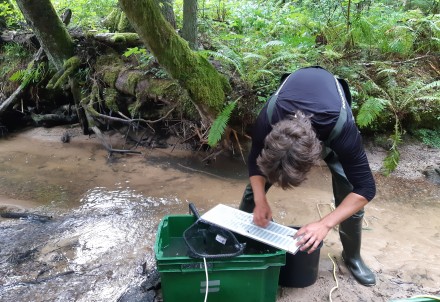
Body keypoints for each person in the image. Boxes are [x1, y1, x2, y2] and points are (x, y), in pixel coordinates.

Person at [239, 66, 376, 286]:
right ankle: (248, 246)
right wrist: (260, 199)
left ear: (314, 158)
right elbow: (255, 165)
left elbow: (366, 189)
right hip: (290, 109)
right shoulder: (267, 118)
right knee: (254, 191)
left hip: (330, 120)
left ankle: (352, 257)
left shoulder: (343, 130)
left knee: (350, 193)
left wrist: (325, 224)